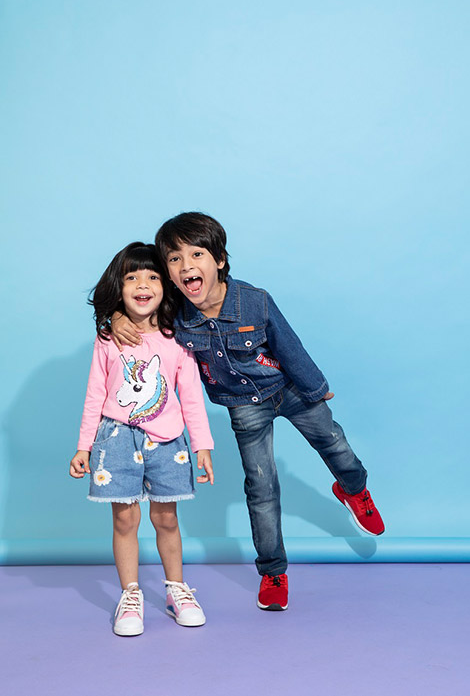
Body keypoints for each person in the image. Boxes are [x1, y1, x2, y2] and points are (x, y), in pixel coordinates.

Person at [112, 214, 385, 612]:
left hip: (288, 389)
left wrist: (314, 388)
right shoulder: (175, 315)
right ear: (168, 274)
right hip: (243, 407)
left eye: (197, 254)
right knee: (261, 487)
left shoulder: (254, 300)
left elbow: (289, 345)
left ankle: (353, 489)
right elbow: (138, 311)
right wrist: (117, 317)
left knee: (335, 444)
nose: (187, 265)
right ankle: (273, 571)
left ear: (220, 260)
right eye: (174, 259)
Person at [69, 241, 214, 636]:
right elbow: (94, 395)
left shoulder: (177, 338)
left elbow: (191, 396)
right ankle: (130, 595)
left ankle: (176, 589)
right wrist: (84, 446)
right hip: (115, 441)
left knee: (166, 517)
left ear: (166, 286)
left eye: (152, 276)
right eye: (132, 277)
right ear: (119, 286)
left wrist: (202, 445)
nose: (143, 285)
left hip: (168, 442)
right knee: (125, 519)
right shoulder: (108, 339)